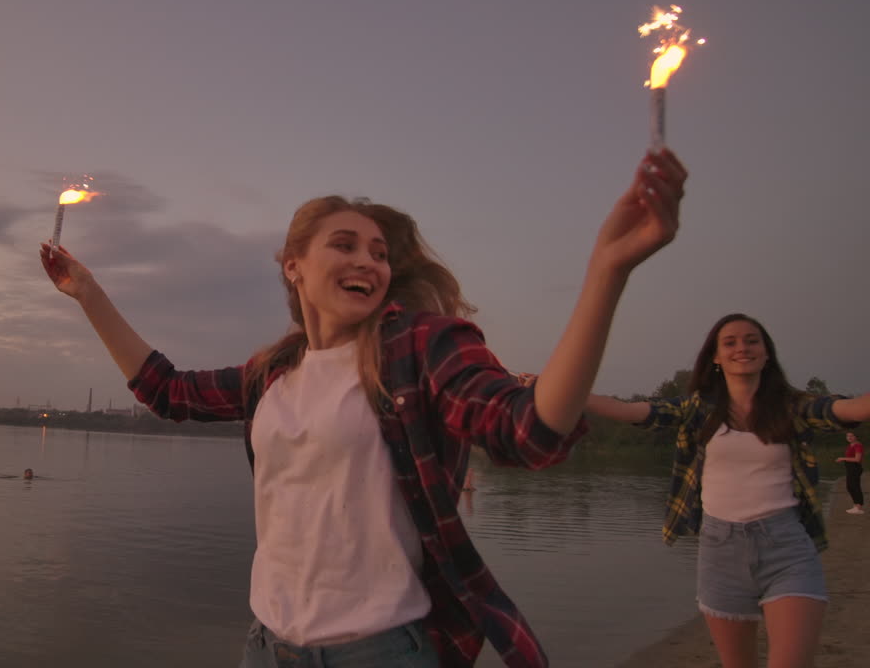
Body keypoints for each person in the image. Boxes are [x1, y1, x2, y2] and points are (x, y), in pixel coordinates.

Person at [40, 150, 687, 668]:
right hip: (267, 647)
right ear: (293, 266)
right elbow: (167, 390)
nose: (367, 262)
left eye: (379, 253)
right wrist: (88, 294)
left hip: (380, 650)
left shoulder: (419, 347)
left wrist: (607, 272)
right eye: (345, 245)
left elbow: (530, 430)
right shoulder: (272, 373)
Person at [585, 314, 870, 668]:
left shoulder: (793, 406)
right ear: (716, 357)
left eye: (752, 340)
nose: (742, 348)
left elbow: (850, 409)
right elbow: (630, 411)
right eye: (730, 342)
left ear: (767, 352)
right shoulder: (697, 408)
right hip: (720, 551)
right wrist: (559, 391)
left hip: (787, 548)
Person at [836, 431, 864, 514]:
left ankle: (858, 507)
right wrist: (844, 459)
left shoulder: (858, 445)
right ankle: (856, 506)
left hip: (855, 468)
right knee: (850, 487)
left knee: (855, 487)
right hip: (850, 468)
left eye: (851, 436)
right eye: (848, 436)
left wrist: (842, 458)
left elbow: (857, 459)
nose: (849, 437)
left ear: (856, 437)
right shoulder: (850, 445)